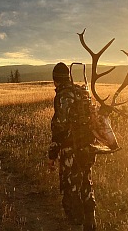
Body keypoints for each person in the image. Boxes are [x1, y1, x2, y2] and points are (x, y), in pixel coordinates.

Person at [48, 62, 97, 231]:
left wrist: (53, 153)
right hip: (88, 147)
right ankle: (90, 223)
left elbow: (60, 126)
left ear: (56, 80)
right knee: (86, 182)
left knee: (71, 186)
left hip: (71, 149)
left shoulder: (63, 96)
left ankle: (75, 224)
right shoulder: (82, 91)